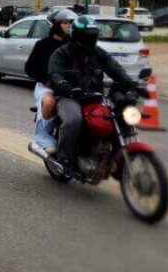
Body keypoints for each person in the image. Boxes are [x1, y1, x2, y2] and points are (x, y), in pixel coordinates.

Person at [48, 15, 137, 178]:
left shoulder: (99, 53)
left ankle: (115, 159)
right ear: (76, 36)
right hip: (70, 97)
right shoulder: (62, 53)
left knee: (117, 117)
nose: (90, 40)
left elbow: (117, 70)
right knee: (73, 120)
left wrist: (131, 86)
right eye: (86, 36)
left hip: (95, 98)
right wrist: (65, 86)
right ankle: (65, 160)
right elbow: (55, 74)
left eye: (92, 36)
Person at [24, 8, 78, 155]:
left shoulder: (75, 45)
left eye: (72, 23)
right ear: (55, 25)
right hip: (47, 87)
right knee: (49, 102)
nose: (69, 26)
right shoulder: (43, 45)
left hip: (70, 87)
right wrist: (46, 79)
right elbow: (30, 68)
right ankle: (42, 139)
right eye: (66, 23)